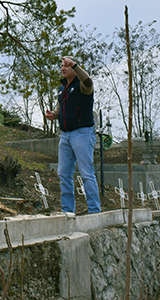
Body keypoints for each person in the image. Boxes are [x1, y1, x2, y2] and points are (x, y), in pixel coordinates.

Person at [45, 56, 101, 214]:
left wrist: (75, 66)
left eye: (67, 66)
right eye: (62, 66)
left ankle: (94, 210)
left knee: (86, 173)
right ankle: (68, 210)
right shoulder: (62, 87)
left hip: (82, 133)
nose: (63, 68)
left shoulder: (82, 85)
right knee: (63, 173)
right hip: (65, 135)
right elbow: (61, 106)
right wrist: (54, 115)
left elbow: (89, 82)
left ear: (75, 69)